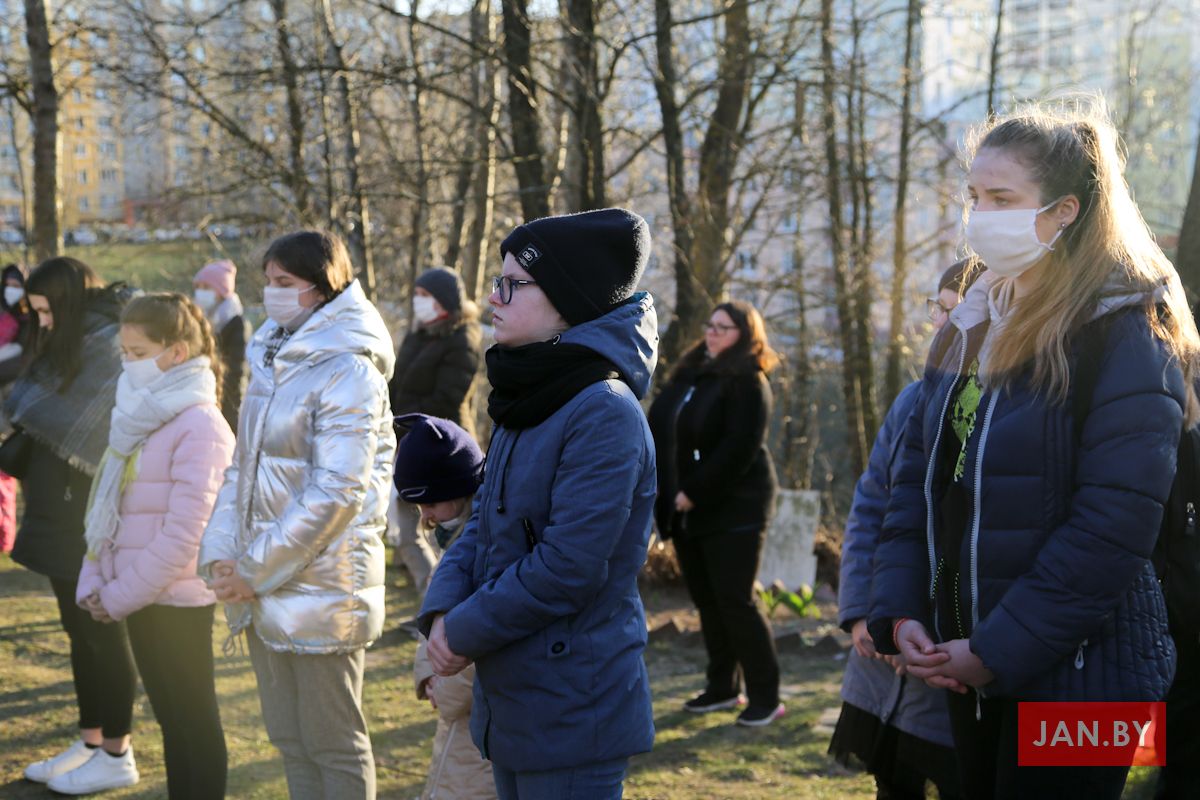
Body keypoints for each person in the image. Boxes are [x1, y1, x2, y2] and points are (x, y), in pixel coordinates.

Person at [868, 98, 1199, 800]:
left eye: (1001, 199)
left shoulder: (1126, 331)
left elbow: (1113, 527)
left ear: (1065, 211)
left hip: (1086, 679)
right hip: (964, 664)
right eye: (973, 196)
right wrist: (901, 613)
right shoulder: (967, 325)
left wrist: (995, 650)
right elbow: (915, 485)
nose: (978, 216)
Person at [418, 207, 657, 799]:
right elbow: (483, 525)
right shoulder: (531, 392)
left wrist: (462, 630)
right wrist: (443, 610)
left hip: (573, 704)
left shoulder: (603, 411)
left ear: (566, 300)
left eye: (512, 284)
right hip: (515, 697)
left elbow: (567, 566)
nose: (492, 298)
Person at [198, 230, 395, 800]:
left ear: (323, 287)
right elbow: (243, 467)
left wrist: (251, 569)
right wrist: (223, 555)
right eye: (268, 281)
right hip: (265, 582)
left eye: (284, 282)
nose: (272, 294)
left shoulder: (349, 370)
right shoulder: (272, 357)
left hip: (325, 586)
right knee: (289, 738)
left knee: (333, 744)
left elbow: (337, 491)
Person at [69, 293, 233, 798]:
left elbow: (186, 534)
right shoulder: (139, 415)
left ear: (176, 352)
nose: (128, 363)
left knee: (193, 721)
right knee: (171, 722)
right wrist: (97, 580)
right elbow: (111, 508)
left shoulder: (200, 425)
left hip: (178, 602)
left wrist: (119, 596)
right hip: (141, 597)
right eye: (124, 353)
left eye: (138, 353)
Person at [829, 260, 980, 800]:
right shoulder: (911, 401)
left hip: (946, 662)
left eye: (957, 312)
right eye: (938, 309)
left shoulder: (1003, 407)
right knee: (891, 784)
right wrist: (866, 614)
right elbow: (872, 508)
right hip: (880, 656)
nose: (943, 324)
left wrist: (918, 635)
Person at [5, 257, 140, 792]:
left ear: (67, 300)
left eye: (46, 310)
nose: (41, 321)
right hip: (57, 508)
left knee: (101, 631)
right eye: (34, 312)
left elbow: (100, 427)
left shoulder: (108, 344)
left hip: (91, 511)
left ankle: (118, 752)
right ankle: (90, 742)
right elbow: (36, 406)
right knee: (78, 634)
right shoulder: (64, 342)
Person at [646, 299, 784, 727]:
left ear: (746, 335)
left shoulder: (748, 380)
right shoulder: (691, 374)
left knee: (735, 601)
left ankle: (766, 697)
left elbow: (739, 447)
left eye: (723, 327)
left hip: (735, 507)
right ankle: (722, 687)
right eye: (710, 325)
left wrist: (693, 491)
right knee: (707, 601)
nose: (712, 332)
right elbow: (665, 429)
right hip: (687, 507)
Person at [393, 413, 495, 800]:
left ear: (459, 487)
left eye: (431, 503)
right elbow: (433, 617)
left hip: (484, 724)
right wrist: (428, 674)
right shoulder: (452, 546)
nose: (426, 518)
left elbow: (481, 631)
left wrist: (446, 689)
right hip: (457, 724)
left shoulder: (486, 549)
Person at [387, 266, 482, 589]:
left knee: (448, 534)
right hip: (406, 442)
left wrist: (406, 425)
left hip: (442, 451)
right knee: (406, 531)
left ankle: (441, 594)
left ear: (444, 300)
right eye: (417, 295)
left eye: (425, 295)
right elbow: (397, 383)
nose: (418, 301)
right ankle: (433, 594)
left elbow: (446, 399)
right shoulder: (418, 334)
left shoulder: (463, 339)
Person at [192, 259, 249, 431]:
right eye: (198, 287)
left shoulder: (236, 323)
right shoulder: (202, 320)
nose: (200, 292)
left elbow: (236, 372)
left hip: (227, 404)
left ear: (221, 291)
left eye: (207, 287)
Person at [0, 262, 32, 554]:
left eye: (16, 285)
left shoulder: (31, 322)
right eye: (8, 285)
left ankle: (5, 537)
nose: (11, 290)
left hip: (15, 407)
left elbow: (25, 362)